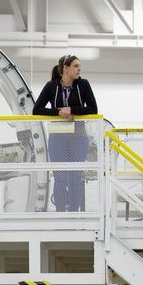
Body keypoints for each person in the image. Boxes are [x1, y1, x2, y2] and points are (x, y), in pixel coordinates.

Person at [32, 54, 98, 212]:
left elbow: (93, 109)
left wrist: (72, 110)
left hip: (78, 137)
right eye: (75, 66)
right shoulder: (51, 86)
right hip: (57, 137)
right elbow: (37, 110)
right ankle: (60, 210)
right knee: (60, 176)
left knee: (76, 176)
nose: (79, 69)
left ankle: (74, 211)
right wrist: (58, 112)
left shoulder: (83, 84)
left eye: (79, 66)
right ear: (65, 69)